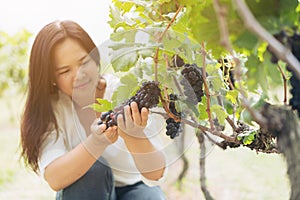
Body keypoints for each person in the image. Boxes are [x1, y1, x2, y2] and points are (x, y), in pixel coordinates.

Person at [20, 20, 167, 200]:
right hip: (86, 191)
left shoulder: (123, 93)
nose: (79, 75)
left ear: (95, 57)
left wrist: (133, 135)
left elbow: (156, 173)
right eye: (65, 71)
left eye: (83, 62)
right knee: (94, 171)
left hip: (133, 189)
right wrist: (95, 144)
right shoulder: (52, 109)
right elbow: (54, 177)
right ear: (51, 78)